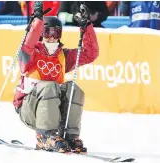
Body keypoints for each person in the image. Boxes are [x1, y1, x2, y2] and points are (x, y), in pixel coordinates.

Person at [13, 2, 99, 153]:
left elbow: (90, 53)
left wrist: (86, 27)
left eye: (56, 33)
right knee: (50, 85)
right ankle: (44, 136)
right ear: (41, 34)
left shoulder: (62, 56)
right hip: (29, 110)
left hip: (52, 110)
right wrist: (38, 20)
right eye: (47, 33)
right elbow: (27, 44)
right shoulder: (31, 54)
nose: (52, 37)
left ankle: (69, 136)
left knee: (73, 88)